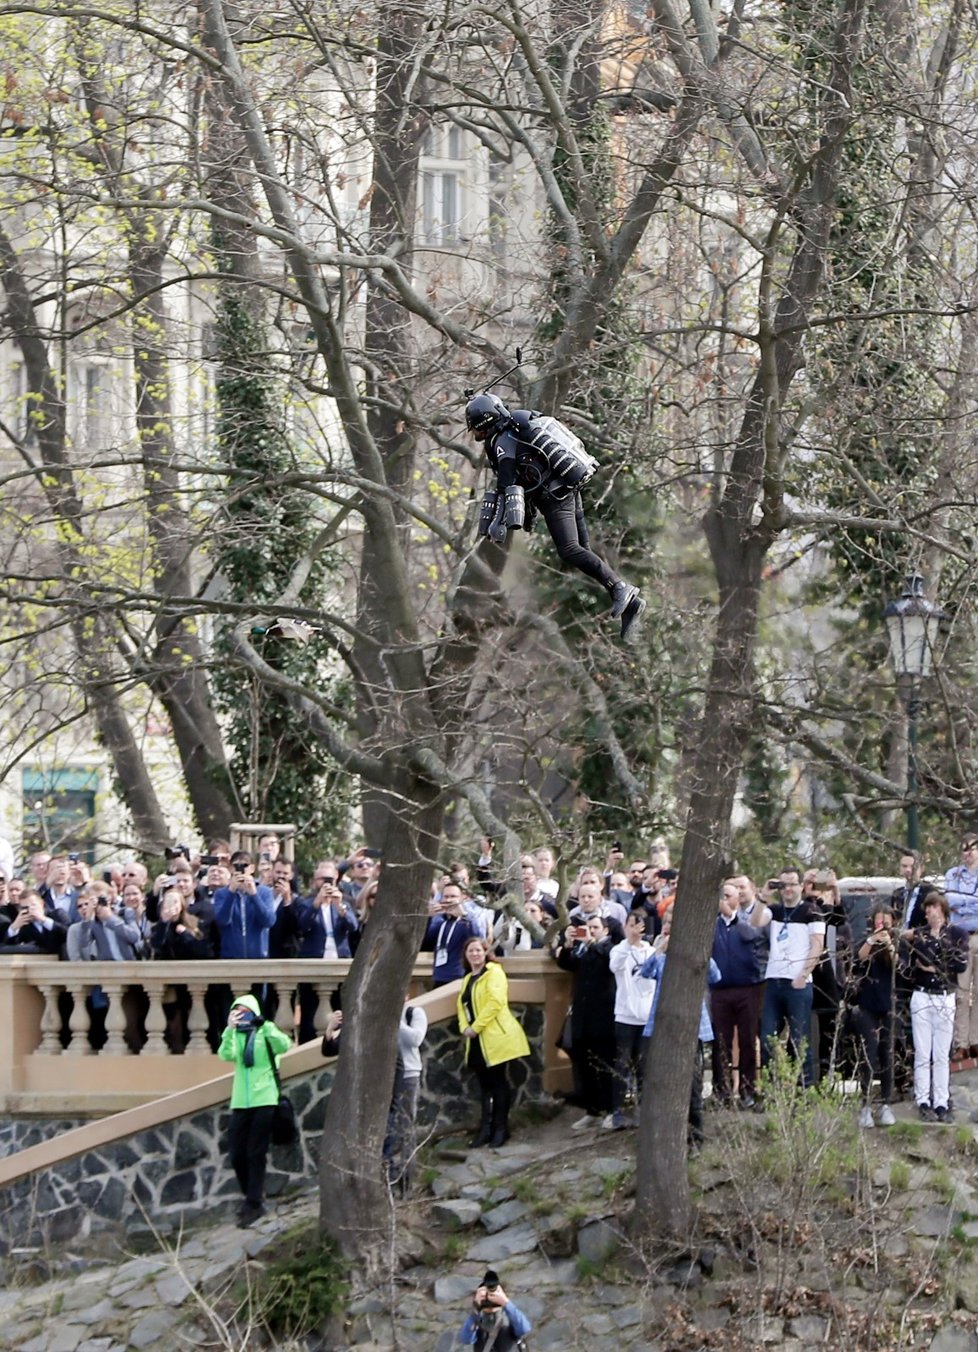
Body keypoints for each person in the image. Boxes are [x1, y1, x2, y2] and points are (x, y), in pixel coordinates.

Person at [466, 392, 645, 639]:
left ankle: (620, 589)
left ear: (484, 423)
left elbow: (506, 484)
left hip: (554, 498)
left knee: (570, 550)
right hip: (567, 487)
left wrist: (498, 523)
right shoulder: (518, 427)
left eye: (476, 428)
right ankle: (629, 602)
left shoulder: (502, 441)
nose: (476, 435)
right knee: (583, 549)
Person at [218, 994, 292, 1227]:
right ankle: (251, 1197)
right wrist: (230, 1029)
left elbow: (284, 1045)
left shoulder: (265, 1031)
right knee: (237, 1154)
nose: (242, 1016)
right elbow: (225, 1055)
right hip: (241, 1100)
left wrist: (266, 1025)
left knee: (255, 1152)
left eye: (245, 1011)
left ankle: (253, 1202)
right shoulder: (236, 1036)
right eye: (237, 1012)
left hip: (265, 1098)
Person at [457, 937, 530, 1147]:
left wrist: (476, 1027)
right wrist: (465, 1028)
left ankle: (501, 1129)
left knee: (498, 1083)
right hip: (477, 1041)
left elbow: (495, 1003)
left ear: (485, 952)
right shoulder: (468, 978)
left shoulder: (494, 972)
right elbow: (462, 1005)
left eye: (478, 950)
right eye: (471, 951)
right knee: (485, 1086)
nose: (475, 954)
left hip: (496, 1037)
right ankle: (485, 1129)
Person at [903, 892, 967, 1122]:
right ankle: (923, 1099)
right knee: (922, 1051)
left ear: (942, 909)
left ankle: (941, 1100)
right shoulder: (920, 934)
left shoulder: (956, 933)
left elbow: (960, 964)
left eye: (934, 908)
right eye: (927, 909)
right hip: (922, 995)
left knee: (941, 1053)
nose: (930, 913)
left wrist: (938, 963)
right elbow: (920, 960)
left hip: (944, 995)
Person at [759, 869, 826, 1088]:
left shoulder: (812, 911)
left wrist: (803, 974)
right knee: (768, 1035)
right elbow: (755, 921)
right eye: (784, 885)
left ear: (800, 886)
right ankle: (770, 1087)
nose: (788, 889)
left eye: (792, 884)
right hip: (774, 980)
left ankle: (804, 1087)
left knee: (799, 1039)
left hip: (797, 983)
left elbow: (817, 944)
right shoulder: (775, 910)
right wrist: (764, 895)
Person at [710, 879, 770, 1108]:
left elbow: (751, 935)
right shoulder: (712, 924)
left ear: (737, 898)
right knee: (721, 1041)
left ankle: (748, 1089)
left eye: (729, 896)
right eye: (721, 896)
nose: (724, 901)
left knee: (747, 1040)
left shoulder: (748, 919)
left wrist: (732, 916)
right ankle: (722, 1090)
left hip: (749, 987)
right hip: (720, 990)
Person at [553, 913, 617, 1127]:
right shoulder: (583, 949)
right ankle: (592, 1110)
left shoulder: (610, 949)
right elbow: (566, 963)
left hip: (603, 1018)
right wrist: (569, 944)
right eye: (588, 927)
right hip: (582, 1016)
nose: (590, 930)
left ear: (605, 931)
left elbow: (608, 960)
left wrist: (591, 942)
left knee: (605, 1065)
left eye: (595, 927)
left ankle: (610, 1109)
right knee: (585, 1066)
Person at [848, 903, 898, 1128]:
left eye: (886, 921)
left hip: (889, 1005)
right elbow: (858, 959)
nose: (882, 925)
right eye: (879, 921)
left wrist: (888, 944)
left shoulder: (899, 943)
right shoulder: (865, 940)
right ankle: (865, 1105)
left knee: (887, 1054)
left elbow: (901, 968)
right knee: (868, 1053)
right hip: (867, 1005)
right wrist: (872, 940)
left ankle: (886, 1103)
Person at [607, 911, 656, 1128]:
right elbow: (615, 966)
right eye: (631, 924)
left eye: (639, 925)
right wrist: (629, 943)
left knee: (644, 1064)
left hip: (646, 1016)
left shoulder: (652, 951)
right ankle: (617, 1109)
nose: (635, 929)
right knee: (623, 1062)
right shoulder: (619, 949)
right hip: (626, 1015)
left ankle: (643, 1108)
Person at [941, 835, 978, 1058]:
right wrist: (972, 901)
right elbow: (950, 901)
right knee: (961, 993)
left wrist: (963, 904)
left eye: (972, 848)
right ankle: (961, 1043)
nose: (968, 853)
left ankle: (975, 1039)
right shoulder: (952, 875)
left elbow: (958, 902)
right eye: (964, 849)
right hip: (960, 937)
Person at [458, 1271, 531, 1350]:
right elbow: (466, 1339)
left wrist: (505, 1302)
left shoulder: (510, 1318)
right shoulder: (477, 1321)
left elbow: (524, 1329)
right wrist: (476, 1307)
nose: (489, 1297)